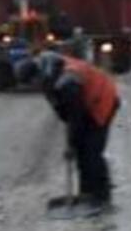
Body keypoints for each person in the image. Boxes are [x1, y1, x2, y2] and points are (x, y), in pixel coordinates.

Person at [15, 51, 120, 216]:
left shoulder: (67, 82)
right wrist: (72, 138)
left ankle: (102, 197)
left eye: (32, 82)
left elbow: (76, 116)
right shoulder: (48, 73)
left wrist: (71, 142)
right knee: (81, 151)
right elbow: (60, 107)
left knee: (92, 152)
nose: (33, 86)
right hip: (84, 102)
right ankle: (87, 194)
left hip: (102, 99)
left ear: (36, 75)